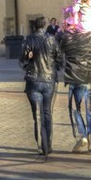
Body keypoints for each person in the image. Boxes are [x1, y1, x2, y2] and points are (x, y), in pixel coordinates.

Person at [62, 0, 91, 154]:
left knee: (77, 107)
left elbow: (70, 21)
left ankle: (83, 134)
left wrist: (70, 20)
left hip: (79, 75)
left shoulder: (74, 37)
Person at [20, 23, 61, 158]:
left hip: (33, 80)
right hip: (49, 81)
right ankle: (48, 145)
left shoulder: (30, 39)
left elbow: (22, 59)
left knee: (37, 115)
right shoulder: (52, 39)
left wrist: (29, 58)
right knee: (47, 113)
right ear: (45, 26)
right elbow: (60, 58)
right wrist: (55, 67)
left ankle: (40, 146)